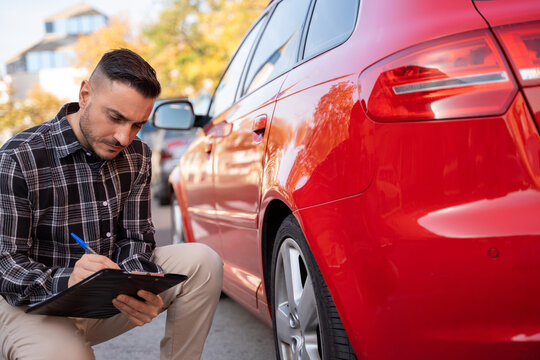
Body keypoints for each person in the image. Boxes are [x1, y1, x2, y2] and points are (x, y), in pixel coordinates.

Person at [0, 49, 223, 360]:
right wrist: (68, 279)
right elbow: (5, 264)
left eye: (137, 125)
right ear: (85, 94)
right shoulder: (18, 157)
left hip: (103, 298)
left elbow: (135, 238)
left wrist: (139, 286)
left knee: (203, 262)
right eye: (115, 117)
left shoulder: (138, 155)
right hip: (31, 308)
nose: (124, 137)